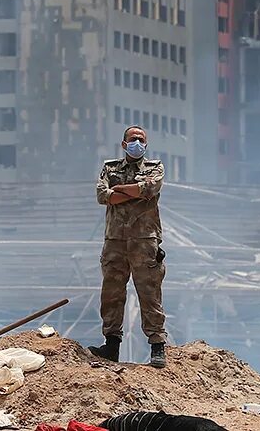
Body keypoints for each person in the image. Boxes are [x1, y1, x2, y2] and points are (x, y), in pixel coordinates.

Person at [91, 125, 167, 368]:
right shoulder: (110, 168)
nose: (137, 142)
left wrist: (121, 190)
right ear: (124, 144)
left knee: (149, 292)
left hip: (145, 240)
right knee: (112, 293)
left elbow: (148, 188)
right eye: (133, 139)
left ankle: (157, 346)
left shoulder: (155, 168)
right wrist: (135, 191)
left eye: (141, 139)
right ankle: (111, 345)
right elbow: (103, 196)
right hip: (115, 240)